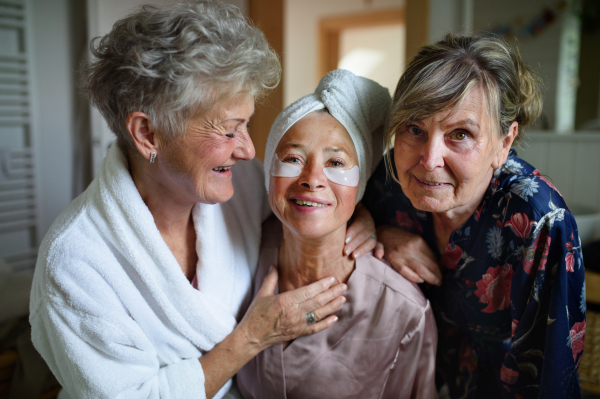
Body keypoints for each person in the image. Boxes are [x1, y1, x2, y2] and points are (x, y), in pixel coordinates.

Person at [29, 2, 378, 398]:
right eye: (229, 131)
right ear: (148, 134)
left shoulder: (240, 184)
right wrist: (251, 337)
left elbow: (304, 205)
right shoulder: (75, 261)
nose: (248, 150)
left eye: (246, 125)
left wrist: (366, 218)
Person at [362, 33, 586, 398]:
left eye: (460, 134)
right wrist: (376, 230)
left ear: (503, 143)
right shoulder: (388, 181)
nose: (429, 159)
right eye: (414, 128)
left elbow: (551, 380)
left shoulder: (540, 221)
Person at [237, 70, 438, 399]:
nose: (312, 178)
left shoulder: (403, 312)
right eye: (292, 158)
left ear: (359, 187)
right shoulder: (242, 249)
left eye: (336, 162)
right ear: (268, 171)